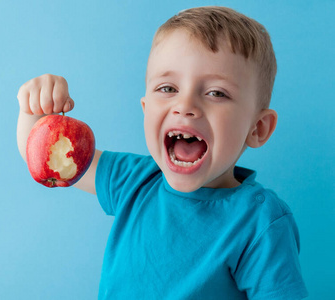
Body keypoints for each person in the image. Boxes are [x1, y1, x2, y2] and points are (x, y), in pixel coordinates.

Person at [16, 6, 308, 299]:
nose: (185, 106)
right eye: (168, 88)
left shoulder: (260, 221)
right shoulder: (133, 180)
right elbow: (42, 156)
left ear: (257, 128)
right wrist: (36, 107)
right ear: (146, 110)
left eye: (217, 93)